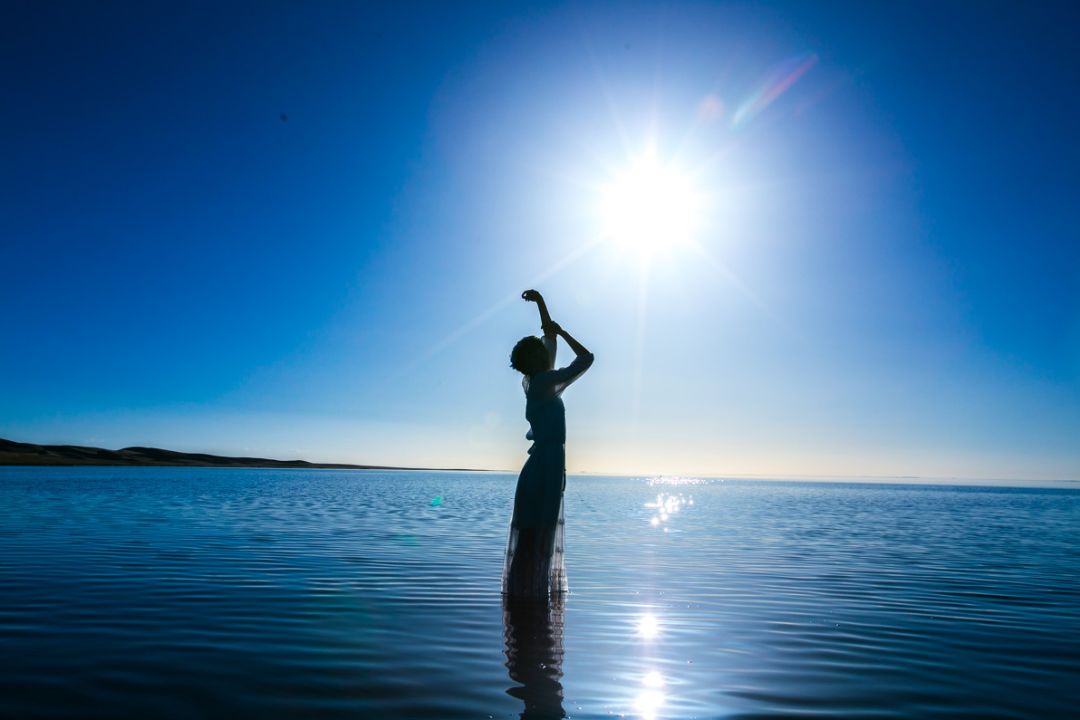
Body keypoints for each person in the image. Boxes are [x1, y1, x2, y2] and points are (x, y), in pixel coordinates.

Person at [502, 289, 593, 598]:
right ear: (535, 359)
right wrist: (564, 332)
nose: (546, 349)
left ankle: (524, 598)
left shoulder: (536, 380)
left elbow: (547, 337)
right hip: (546, 465)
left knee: (534, 535)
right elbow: (586, 358)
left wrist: (541, 303)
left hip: (543, 464)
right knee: (539, 534)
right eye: (540, 350)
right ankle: (531, 598)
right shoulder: (544, 382)